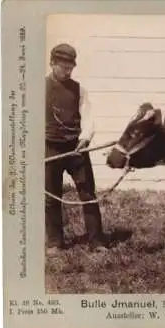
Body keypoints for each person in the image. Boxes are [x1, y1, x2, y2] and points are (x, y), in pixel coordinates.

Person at [45, 43, 109, 254]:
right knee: (51, 196)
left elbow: (88, 117)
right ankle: (55, 243)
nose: (68, 70)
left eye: (71, 67)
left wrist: (85, 138)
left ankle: (96, 241)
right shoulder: (37, 88)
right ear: (52, 63)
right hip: (50, 148)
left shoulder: (79, 89)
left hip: (76, 148)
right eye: (63, 66)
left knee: (87, 192)